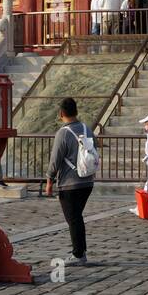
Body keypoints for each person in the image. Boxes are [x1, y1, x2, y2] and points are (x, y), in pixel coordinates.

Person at [46, 97, 96, 264]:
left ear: (61, 113)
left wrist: (49, 179)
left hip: (70, 182)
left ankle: (79, 254)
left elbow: (56, 159)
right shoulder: (86, 129)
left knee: (73, 218)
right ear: (76, 111)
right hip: (87, 180)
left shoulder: (63, 133)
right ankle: (80, 251)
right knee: (77, 216)